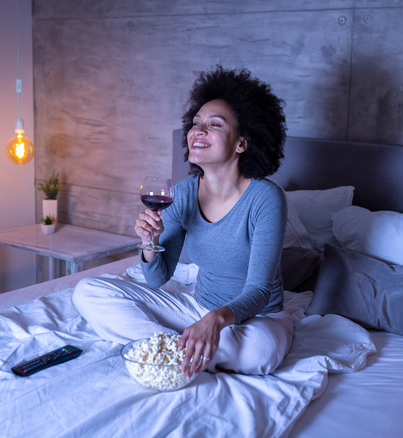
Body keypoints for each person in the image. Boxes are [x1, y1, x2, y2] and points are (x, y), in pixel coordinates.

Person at [72, 66, 290, 378]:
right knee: (87, 291)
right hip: (197, 310)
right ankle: (184, 346)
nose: (197, 131)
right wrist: (150, 243)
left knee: (259, 354)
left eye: (213, 125)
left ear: (242, 143)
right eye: (196, 123)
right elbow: (158, 279)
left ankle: (173, 347)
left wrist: (215, 321)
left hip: (255, 319)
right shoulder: (183, 194)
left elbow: (259, 290)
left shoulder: (266, 198)